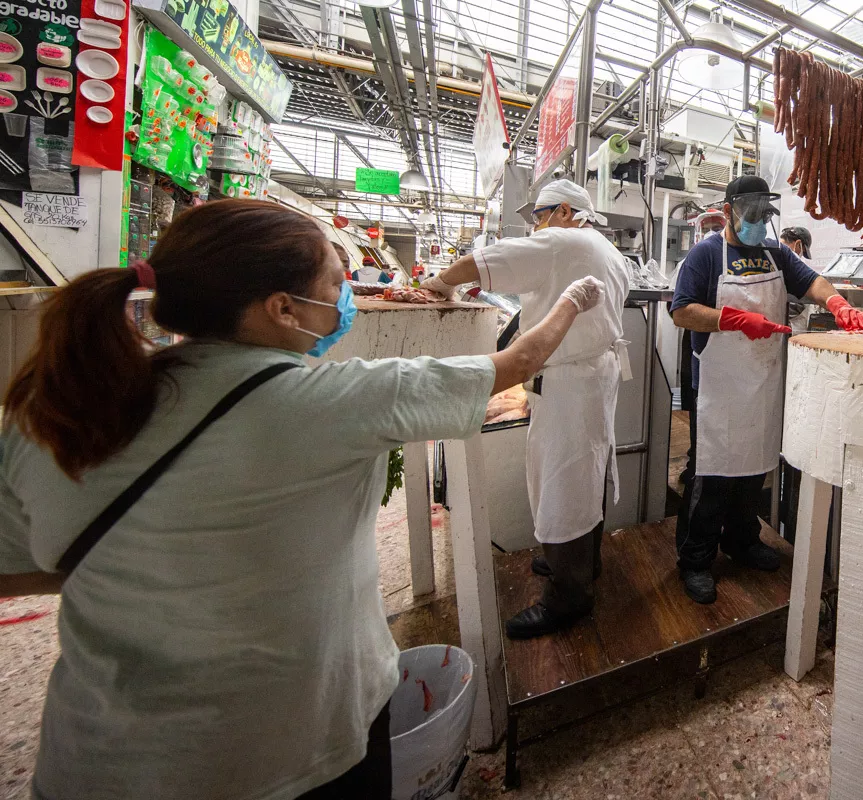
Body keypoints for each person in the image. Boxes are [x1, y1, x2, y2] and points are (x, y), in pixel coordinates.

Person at [0, 199, 604, 800]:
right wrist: (573, 301)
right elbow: (518, 361)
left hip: (92, 764)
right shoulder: (339, 400)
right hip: (299, 753)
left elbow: (24, 571)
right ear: (282, 307)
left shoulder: (51, 413)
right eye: (338, 284)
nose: (346, 298)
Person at [421, 179, 630, 639]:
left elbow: (484, 261)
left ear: (568, 212)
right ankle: (579, 561)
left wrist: (438, 283)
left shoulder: (564, 239)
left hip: (570, 382)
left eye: (541, 214)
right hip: (594, 375)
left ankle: (568, 597)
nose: (537, 225)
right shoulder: (607, 249)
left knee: (562, 481)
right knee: (586, 473)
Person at [670, 175, 863, 605]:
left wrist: (837, 302)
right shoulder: (705, 255)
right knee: (713, 474)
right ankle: (696, 558)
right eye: (752, 214)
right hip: (720, 389)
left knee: (754, 469)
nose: (760, 223)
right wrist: (734, 320)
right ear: (729, 212)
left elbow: (812, 282)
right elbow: (682, 312)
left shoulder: (775, 253)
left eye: (766, 215)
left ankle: (742, 541)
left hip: (763, 383)